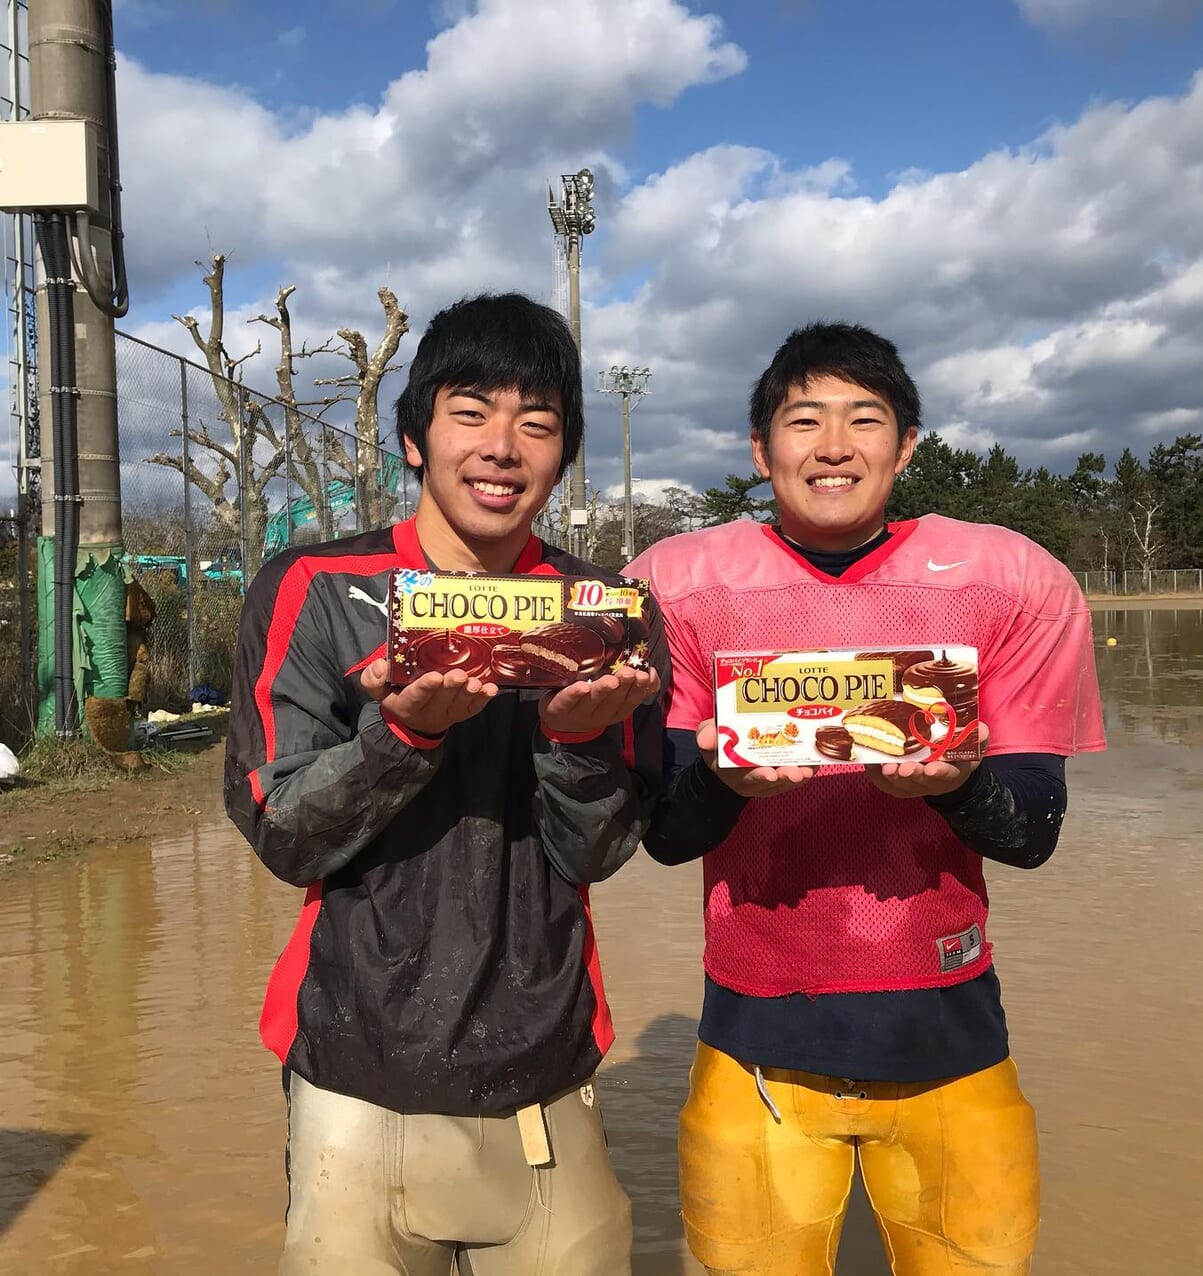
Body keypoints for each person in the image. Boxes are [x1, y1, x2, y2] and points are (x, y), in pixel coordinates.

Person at [628, 321, 1105, 1276]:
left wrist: (962, 788)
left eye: (865, 419)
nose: (835, 445)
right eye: (804, 420)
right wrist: (723, 782)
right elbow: (666, 835)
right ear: (761, 451)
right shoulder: (675, 585)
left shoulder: (1009, 580)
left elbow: (1033, 831)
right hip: (755, 1041)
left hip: (952, 1032)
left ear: (907, 445)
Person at [225, 292, 666, 1275]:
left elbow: (597, 852)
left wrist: (580, 740)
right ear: (415, 436)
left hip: (543, 1079)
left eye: (538, 422)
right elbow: (285, 832)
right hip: (352, 1078)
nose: (503, 445)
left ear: (562, 454)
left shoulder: (605, 618)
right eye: (471, 410)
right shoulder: (314, 590)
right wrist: (401, 732)